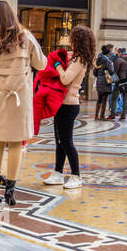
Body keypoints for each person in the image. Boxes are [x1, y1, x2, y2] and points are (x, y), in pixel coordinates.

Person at [0, 1, 46, 207]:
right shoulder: (25, 37)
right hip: (19, 100)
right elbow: (41, 64)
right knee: (16, 143)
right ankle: (11, 190)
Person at [40, 24, 94, 189]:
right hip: (62, 104)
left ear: (77, 40)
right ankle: (57, 173)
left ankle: (76, 176)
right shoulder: (76, 57)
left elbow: (65, 79)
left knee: (66, 141)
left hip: (69, 105)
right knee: (59, 141)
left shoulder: (80, 60)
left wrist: (57, 66)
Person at [93, 44, 115, 120]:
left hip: (99, 81)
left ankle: (96, 116)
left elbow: (94, 72)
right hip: (105, 82)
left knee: (99, 98)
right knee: (104, 99)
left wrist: (99, 75)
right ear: (108, 53)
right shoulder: (107, 60)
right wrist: (112, 65)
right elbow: (111, 72)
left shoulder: (98, 59)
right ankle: (102, 116)